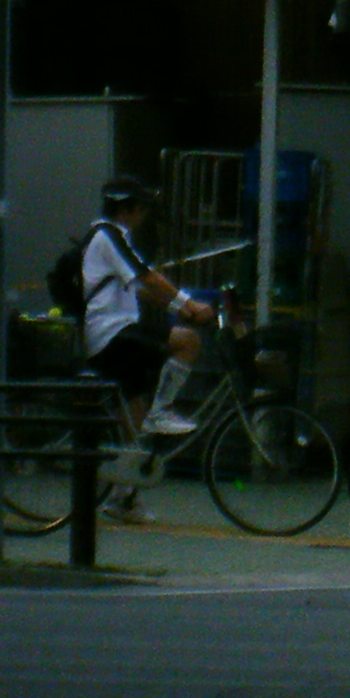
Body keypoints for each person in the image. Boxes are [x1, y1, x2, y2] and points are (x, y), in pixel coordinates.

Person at [79, 178, 216, 516]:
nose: (143, 214)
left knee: (133, 422)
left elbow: (139, 290)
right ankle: (163, 410)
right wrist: (190, 302)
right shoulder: (107, 236)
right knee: (188, 341)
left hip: (115, 334)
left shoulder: (111, 238)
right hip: (113, 334)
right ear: (128, 208)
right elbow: (148, 277)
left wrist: (180, 310)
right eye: (141, 207)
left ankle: (122, 498)